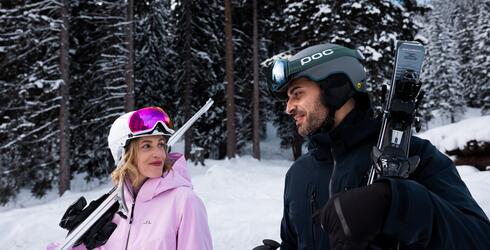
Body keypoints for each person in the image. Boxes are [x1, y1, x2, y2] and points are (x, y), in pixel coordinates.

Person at [256, 43, 490, 250]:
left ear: (334, 89)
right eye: (288, 98)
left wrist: (395, 203)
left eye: (297, 94)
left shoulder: (414, 154)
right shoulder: (299, 173)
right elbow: (294, 242)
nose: (288, 108)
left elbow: (479, 239)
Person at [50, 107, 213, 250]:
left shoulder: (184, 203)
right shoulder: (113, 211)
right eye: (147, 146)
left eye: (161, 144)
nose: (158, 153)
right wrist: (77, 241)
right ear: (124, 155)